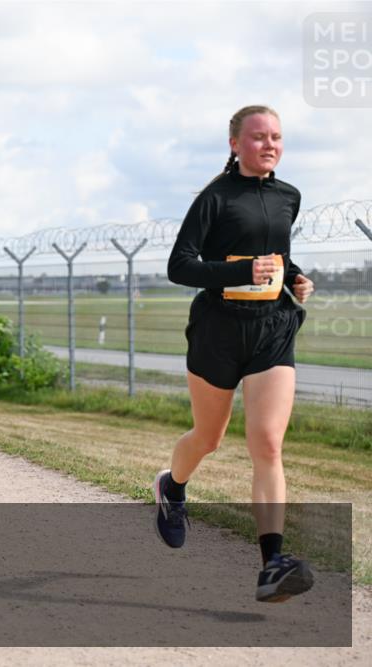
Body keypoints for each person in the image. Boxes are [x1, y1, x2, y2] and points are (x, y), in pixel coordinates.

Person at [157, 105, 316, 603]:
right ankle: (172, 487)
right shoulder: (214, 198)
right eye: (258, 137)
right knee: (208, 437)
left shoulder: (288, 196)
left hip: (272, 329)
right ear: (235, 144)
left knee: (267, 444)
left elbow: (277, 253)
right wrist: (242, 271)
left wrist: (294, 277)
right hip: (218, 331)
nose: (269, 145)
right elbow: (179, 266)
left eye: (276, 137)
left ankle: (272, 564)